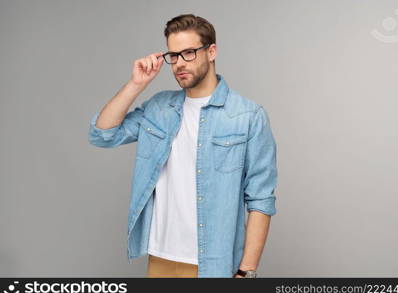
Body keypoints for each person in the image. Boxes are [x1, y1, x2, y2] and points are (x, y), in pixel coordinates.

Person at [88, 14, 278, 278]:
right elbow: (102, 134)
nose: (179, 63)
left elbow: (260, 200)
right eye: (173, 56)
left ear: (211, 52)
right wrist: (136, 85)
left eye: (188, 53)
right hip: (161, 258)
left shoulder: (248, 116)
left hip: (214, 264)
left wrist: (246, 272)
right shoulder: (159, 108)